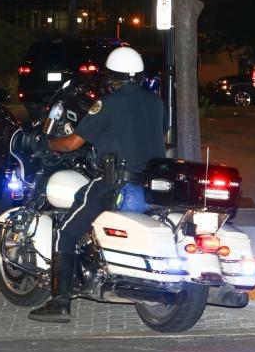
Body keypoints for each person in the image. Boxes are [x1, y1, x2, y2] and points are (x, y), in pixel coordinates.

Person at [28, 46, 168, 323]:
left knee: (66, 232)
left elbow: (72, 143)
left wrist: (46, 143)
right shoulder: (156, 102)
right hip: (151, 185)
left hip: (114, 184)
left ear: (110, 76)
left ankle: (59, 302)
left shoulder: (109, 103)